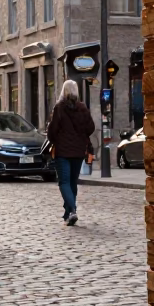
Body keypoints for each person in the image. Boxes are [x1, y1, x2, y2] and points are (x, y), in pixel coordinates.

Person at [46, 80, 95, 226]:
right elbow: (91, 128)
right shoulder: (83, 108)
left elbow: (52, 131)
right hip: (78, 151)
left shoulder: (59, 108)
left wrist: (55, 138)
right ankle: (68, 213)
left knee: (64, 182)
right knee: (72, 182)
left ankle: (72, 210)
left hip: (63, 151)